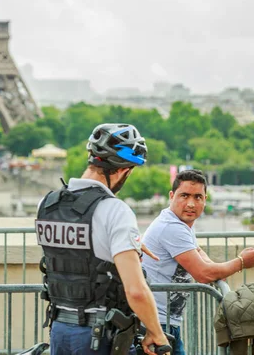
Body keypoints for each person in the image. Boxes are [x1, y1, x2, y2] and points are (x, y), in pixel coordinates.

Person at [36, 123, 170, 355]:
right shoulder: (115, 211)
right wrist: (156, 333)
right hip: (99, 335)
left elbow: (76, 253)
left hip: (59, 328)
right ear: (123, 170)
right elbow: (136, 290)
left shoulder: (47, 204)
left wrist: (126, 244)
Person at [142, 169, 254, 355]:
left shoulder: (179, 223)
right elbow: (203, 274)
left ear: (205, 200)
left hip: (164, 321)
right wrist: (240, 262)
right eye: (184, 196)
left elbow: (199, 254)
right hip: (156, 324)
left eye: (198, 197)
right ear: (171, 196)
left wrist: (220, 267)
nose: (191, 203)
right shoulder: (172, 227)